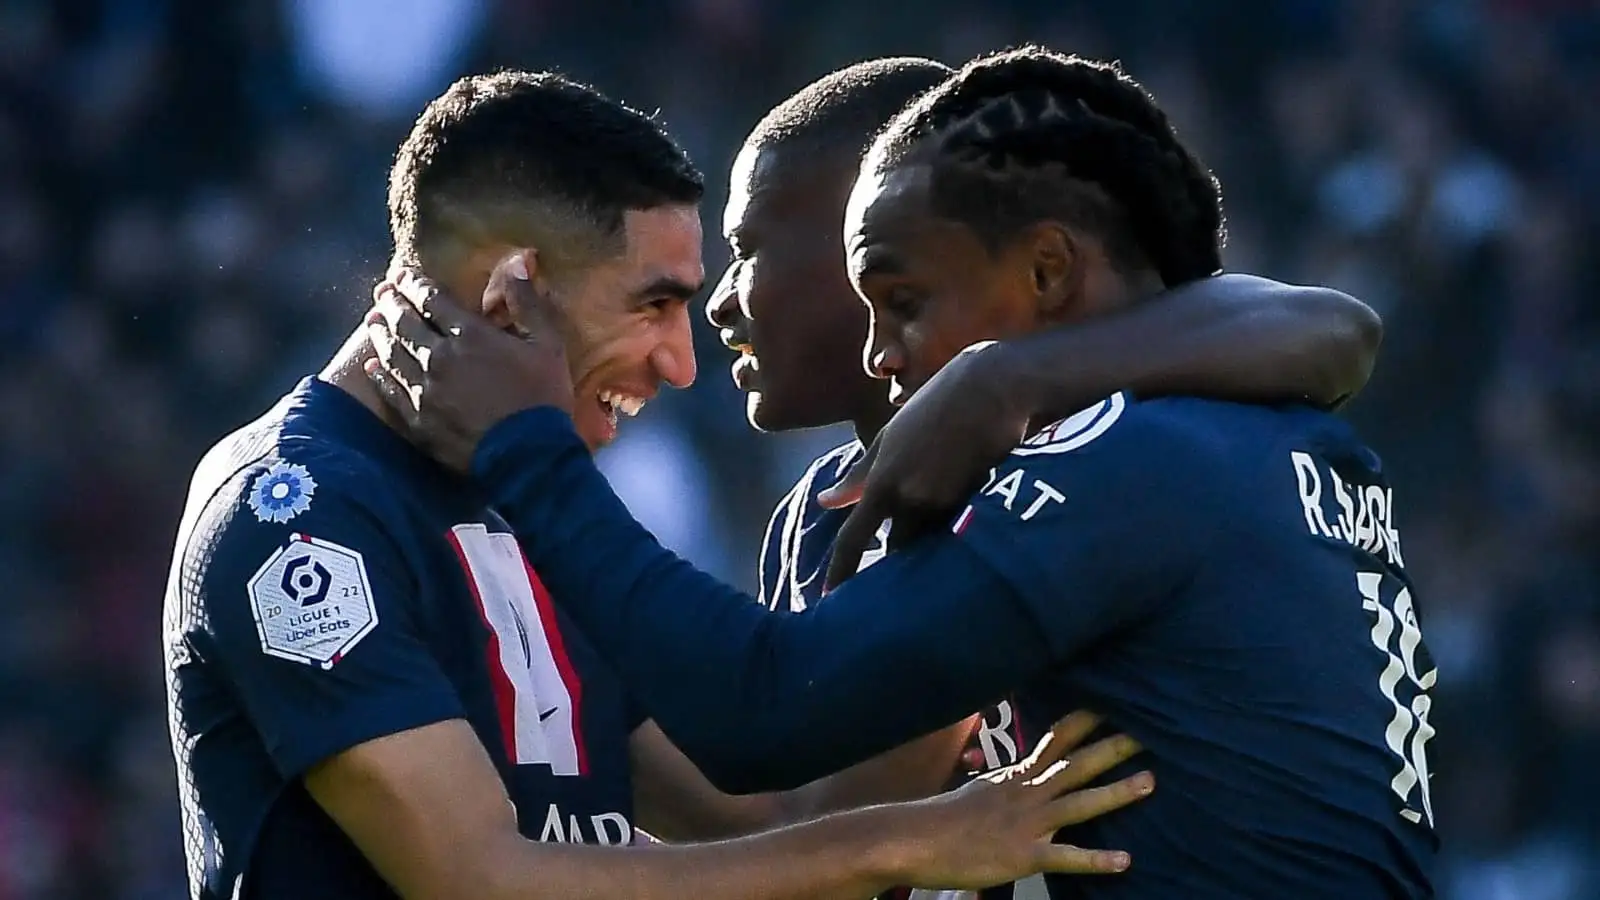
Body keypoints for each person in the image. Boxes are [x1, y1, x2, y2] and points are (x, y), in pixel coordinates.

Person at [364, 48, 1438, 899]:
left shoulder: (1124, 461)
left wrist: (524, 457)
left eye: (899, 294)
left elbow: (766, 733)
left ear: (1043, 269)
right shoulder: (1192, 426)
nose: (883, 347)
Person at [161, 69, 1154, 900]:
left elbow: (767, 818)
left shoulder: (528, 499)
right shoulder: (296, 517)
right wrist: (906, 843)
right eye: (653, 305)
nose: (683, 362)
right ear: (512, 294)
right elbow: (479, 880)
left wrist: (967, 628)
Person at [701, 55, 1384, 900]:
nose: (721, 300)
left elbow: (1333, 324)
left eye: (747, 250)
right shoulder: (815, 511)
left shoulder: (1095, 457)